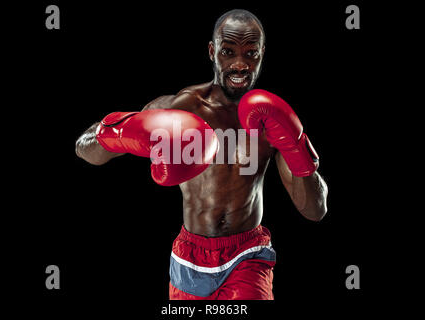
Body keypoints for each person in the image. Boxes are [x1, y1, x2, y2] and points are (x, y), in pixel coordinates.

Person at [75, 9, 328, 300]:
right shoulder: (182, 108)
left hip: (247, 255)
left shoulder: (270, 120)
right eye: (228, 51)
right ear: (212, 51)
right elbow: (84, 150)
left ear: (262, 53)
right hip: (190, 255)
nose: (240, 64)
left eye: (251, 53)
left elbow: (315, 210)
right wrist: (117, 132)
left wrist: (298, 150)